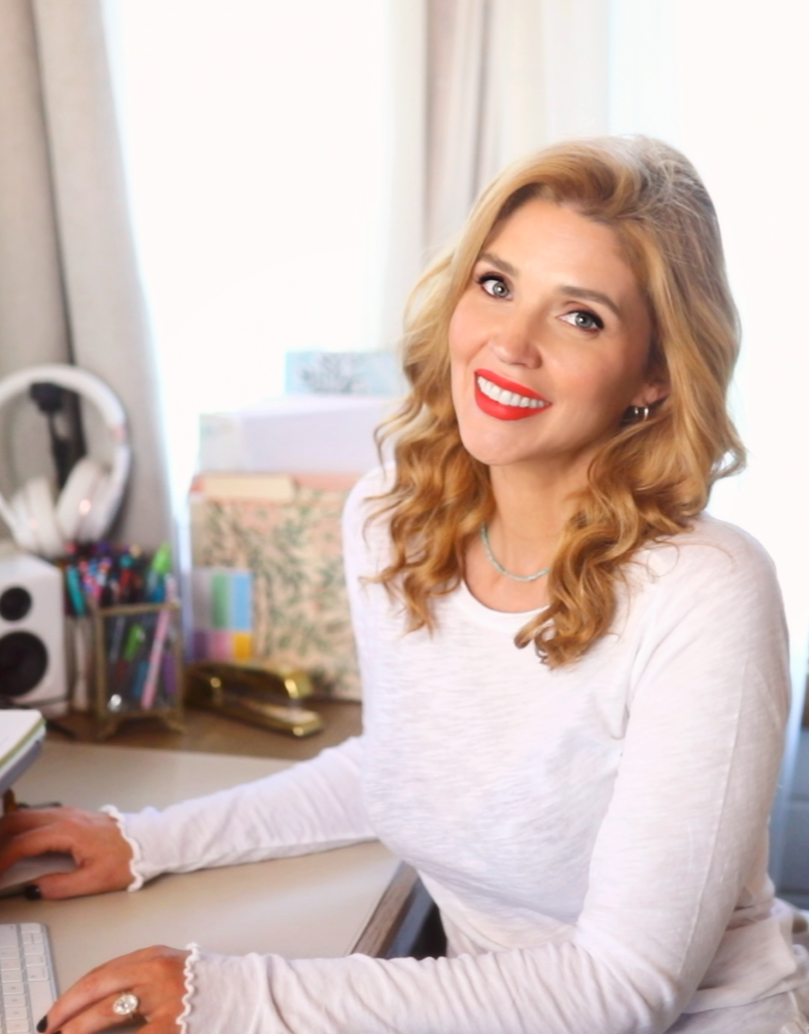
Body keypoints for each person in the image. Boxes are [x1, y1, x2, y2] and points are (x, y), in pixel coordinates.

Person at [1, 135, 807, 1034]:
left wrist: (227, 996)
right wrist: (145, 839)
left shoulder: (705, 591)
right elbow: (404, 766)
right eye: (495, 285)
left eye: (580, 317)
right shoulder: (395, 518)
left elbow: (622, 986)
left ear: (653, 375)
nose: (509, 343)